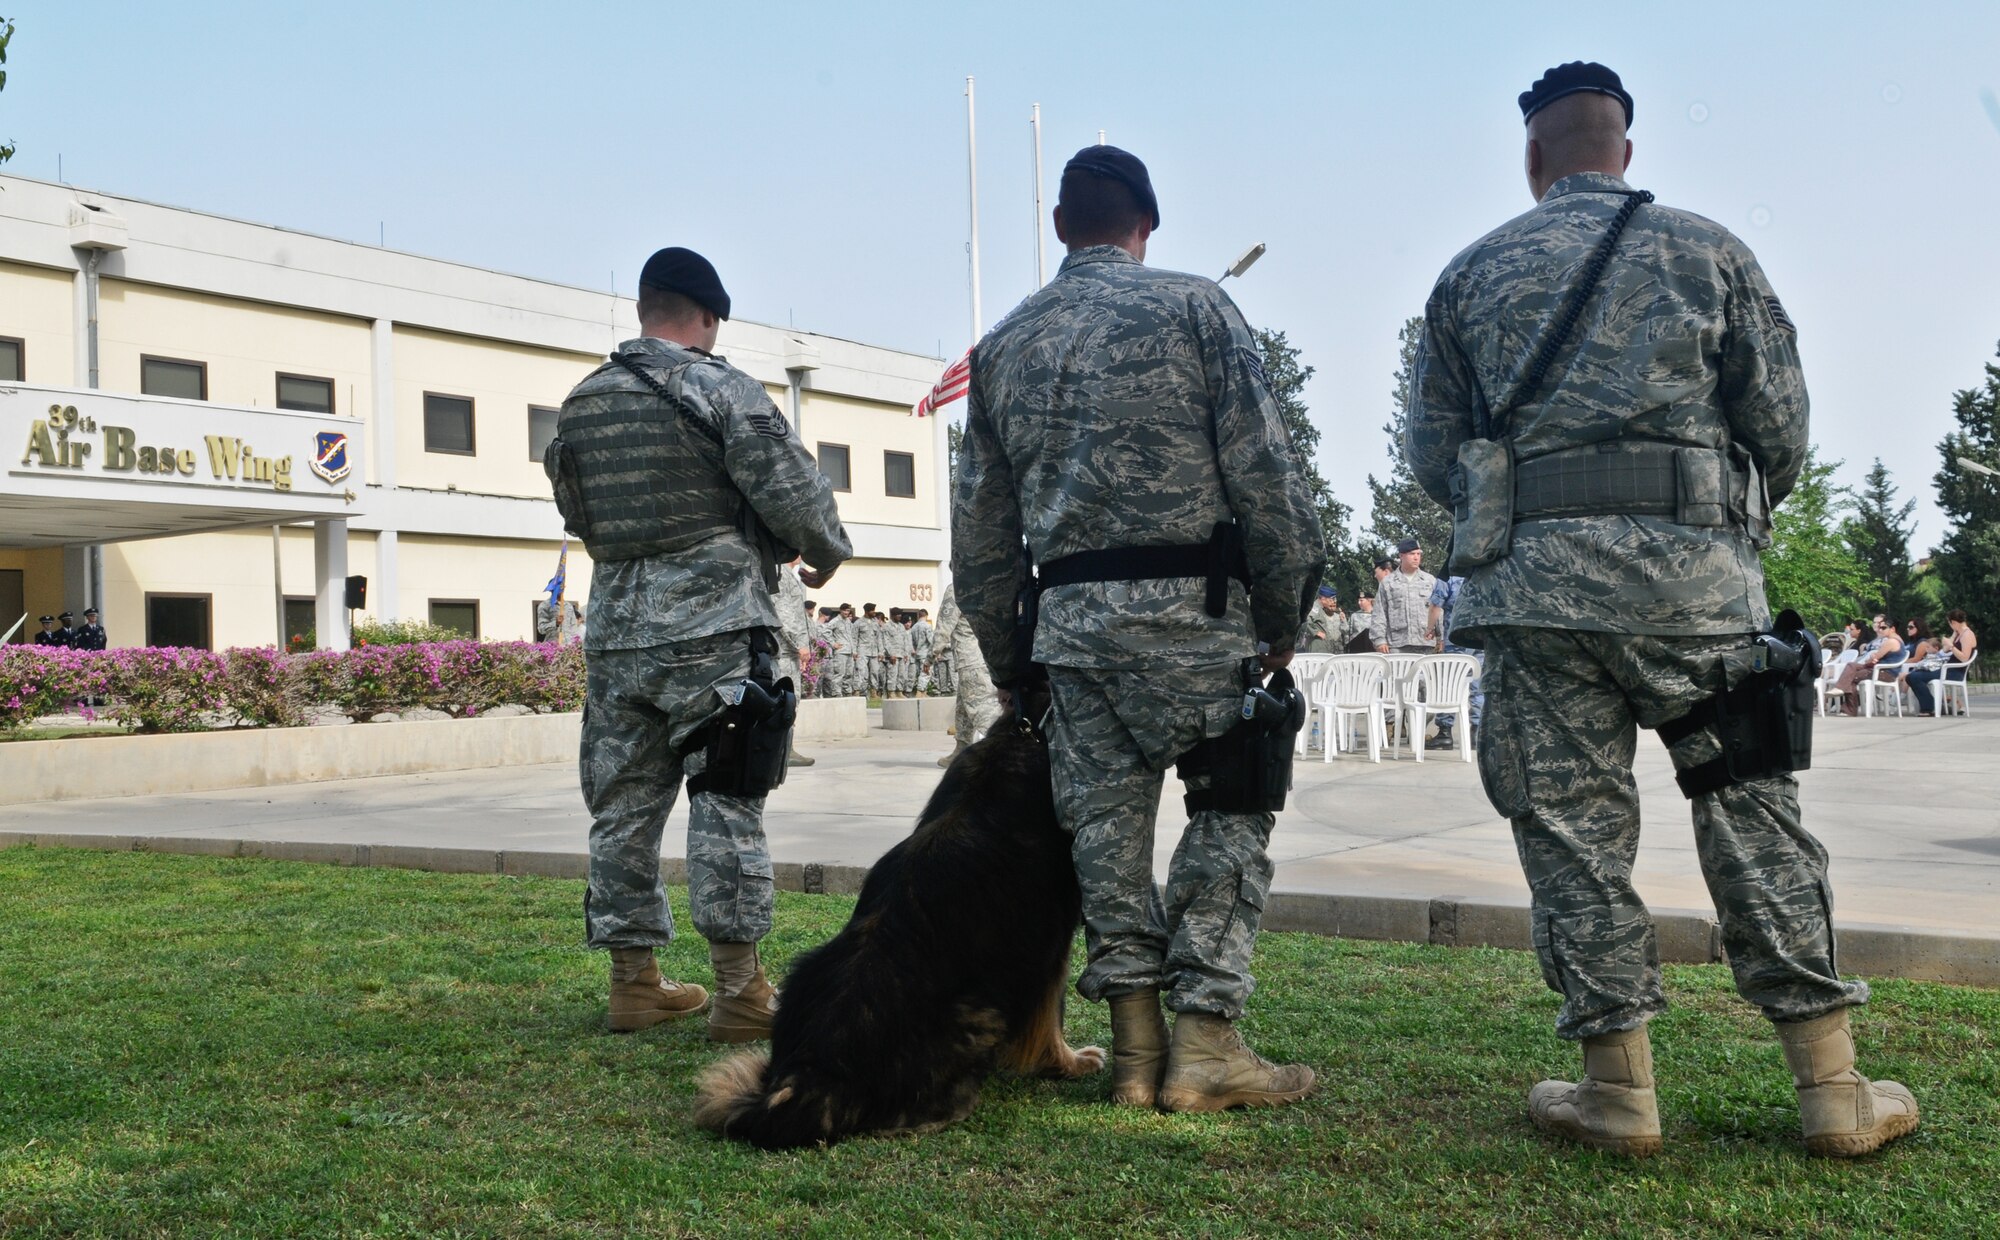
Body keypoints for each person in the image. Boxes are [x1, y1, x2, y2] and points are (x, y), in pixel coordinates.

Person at [1406, 63, 1916, 1157]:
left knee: (1570, 837)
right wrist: (1709, 528)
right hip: (1696, 595)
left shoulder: (1468, 276)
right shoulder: (1708, 250)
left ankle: (1618, 1094)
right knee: (1752, 819)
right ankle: (1832, 1089)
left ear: (1532, 156)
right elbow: (1779, 426)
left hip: (1532, 597)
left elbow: (1434, 452)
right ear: (1624, 151)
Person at [953, 144, 1325, 1113]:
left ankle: (1132, 1052)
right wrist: (1282, 616)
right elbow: (1269, 477)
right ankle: (1203, 1044)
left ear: (1060, 226)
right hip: (1199, 621)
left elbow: (981, 536)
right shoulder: (1198, 307)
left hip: (1074, 636)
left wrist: (1009, 661)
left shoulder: (1003, 346)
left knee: (1104, 840)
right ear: (1145, 225)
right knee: (1231, 813)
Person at [548, 246, 850, 1042]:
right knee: (725, 798)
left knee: (621, 811)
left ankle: (634, 982)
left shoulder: (581, 403)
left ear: (644, 309)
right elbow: (795, 493)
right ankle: (740, 991)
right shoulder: (719, 387)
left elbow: (576, 514)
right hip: (712, 629)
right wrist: (824, 550)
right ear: (709, 317)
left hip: (617, 633)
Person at [931, 583, 999, 767]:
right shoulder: (986, 585)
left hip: (970, 659)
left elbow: (945, 623)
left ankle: (999, 753)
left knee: (982, 710)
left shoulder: (958, 587)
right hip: (988, 656)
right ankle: (961, 750)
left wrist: (932, 653)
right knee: (963, 709)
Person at [1426, 574, 1483, 750]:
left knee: (1449, 685)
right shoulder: (1483, 571)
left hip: (1456, 639)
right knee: (1478, 684)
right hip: (1480, 638)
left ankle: (1445, 732)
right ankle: (1477, 732)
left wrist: (1430, 628)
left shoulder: (1448, 577)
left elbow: (1435, 606)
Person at [774, 558, 815, 766]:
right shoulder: (781, 573)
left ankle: (783, 749)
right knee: (787, 700)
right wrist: (798, 645)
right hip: (785, 652)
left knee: (787, 700)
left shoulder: (784, 573)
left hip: (785, 651)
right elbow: (784, 614)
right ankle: (783, 751)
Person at [1370, 538, 1437, 655]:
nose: (1416, 558)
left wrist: (1441, 637)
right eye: (1412, 554)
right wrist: (1379, 640)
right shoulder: (1388, 582)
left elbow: (1437, 610)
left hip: (1425, 643)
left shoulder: (1430, 581)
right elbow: (1379, 613)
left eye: (1418, 554)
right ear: (1401, 556)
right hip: (1398, 644)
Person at [1904, 609, 1977, 716]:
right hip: (1946, 669)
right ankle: (1932, 705)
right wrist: (1952, 638)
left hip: (1954, 672)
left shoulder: (1967, 635)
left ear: (1953, 622)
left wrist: (1951, 646)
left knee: (1914, 677)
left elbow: (1964, 658)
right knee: (1912, 676)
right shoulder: (1959, 634)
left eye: (1950, 624)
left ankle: (1929, 707)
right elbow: (1944, 651)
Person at [1831, 616, 1903, 716]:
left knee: (1850, 676)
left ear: (1893, 629)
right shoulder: (1893, 640)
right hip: (1879, 669)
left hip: (1885, 673)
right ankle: (1840, 691)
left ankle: (1849, 707)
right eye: (1880, 627)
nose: (1880, 630)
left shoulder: (1891, 641)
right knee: (1851, 665)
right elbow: (1875, 657)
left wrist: (1872, 658)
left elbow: (1875, 657)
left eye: (1883, 628)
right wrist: (1872, 658)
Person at [1296, 586, 1346, 653]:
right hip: (1317, 646)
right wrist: (1316, 632)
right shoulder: (1315, 608)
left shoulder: (1321, 608)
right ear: (1323, 599)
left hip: (1323, 646)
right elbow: (1305, 620)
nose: (1333, 602)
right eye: (1331, 599)